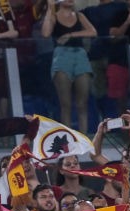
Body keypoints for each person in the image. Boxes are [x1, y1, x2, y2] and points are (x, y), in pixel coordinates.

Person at [41, 0, 97, 134]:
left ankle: (83, 138)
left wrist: (71, 34)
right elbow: (45, 33)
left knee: (82, 103)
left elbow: (92, 32)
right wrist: (50, 8)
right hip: (61, 56)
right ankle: (68, 140)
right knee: (65, 104)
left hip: (80, 55)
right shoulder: (54, 16)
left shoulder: (79, 16)